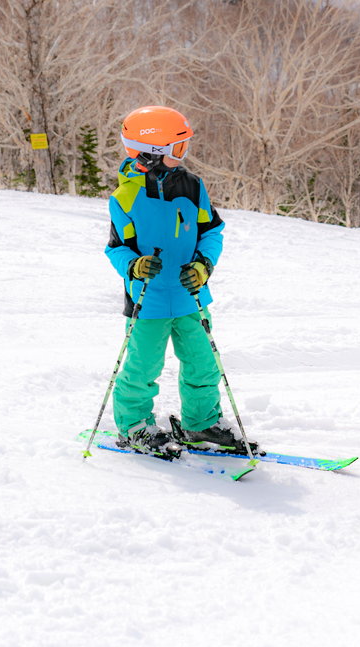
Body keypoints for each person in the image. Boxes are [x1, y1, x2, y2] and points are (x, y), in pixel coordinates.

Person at [103, 105, 255, 459]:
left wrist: (203, 266)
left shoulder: (192, 186)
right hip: (148, 299)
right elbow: (116, 249)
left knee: (203, 364)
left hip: (191, 294)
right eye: (178, 148)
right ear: (152, 154)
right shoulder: (124, 198)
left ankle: (200, 423)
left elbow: (212, 231)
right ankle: (134, 425)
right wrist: (135, 266)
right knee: (143, 367)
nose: (184, 155)